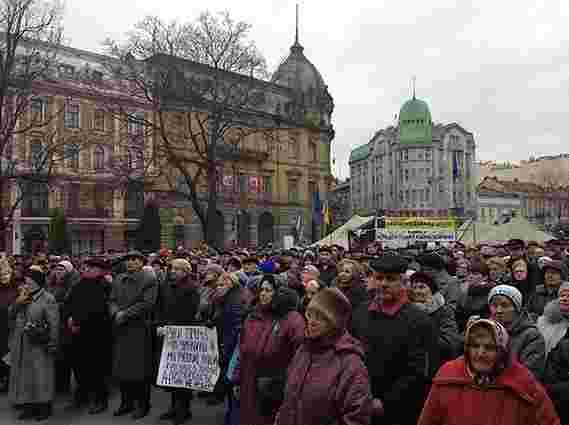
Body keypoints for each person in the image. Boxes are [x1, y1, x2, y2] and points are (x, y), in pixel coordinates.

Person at [417, 318, 559, 425]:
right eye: (474, 346)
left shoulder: (524, 384)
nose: (480, 353)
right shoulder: (447, 377)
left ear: (502, 351)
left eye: (489, 347)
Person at [351, 255, 437, 425]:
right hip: (360, 405)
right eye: (379, 278)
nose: (383, 284)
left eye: (390, 279)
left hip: (400, 412)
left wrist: (385, 402)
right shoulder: (360, 313)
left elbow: (419, 373)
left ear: (403, 282)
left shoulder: (418, 320)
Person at [275, 288, 376, 425]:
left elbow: (357, 417)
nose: (312, 321)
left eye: (321, 317)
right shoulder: (303, 350)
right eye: (310, 314)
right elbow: (288, 403)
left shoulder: (350, 363)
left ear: (336, 322)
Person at [239, 274, 305, 425]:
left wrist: (284, 384)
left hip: (276, 390)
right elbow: (241, 350)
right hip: (249, 383)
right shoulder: (252, 316)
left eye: (268, 290)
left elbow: (301, 357)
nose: (263, 293)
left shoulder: (292, 319)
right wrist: (237, 378)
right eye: (261, 290)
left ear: (279, 292)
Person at [109, 250, 158, 420]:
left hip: (139, 329)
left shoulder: (149, 279)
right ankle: (126, 403)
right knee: (122, 369)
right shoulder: (119, 279)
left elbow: (147, 303)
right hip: (121, 329)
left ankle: (142, 405)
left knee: (140, 371)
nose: (130, 262)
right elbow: (112, 299)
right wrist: (115, 312)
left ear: (141, 262)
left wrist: (125, 314)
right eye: (128, 260)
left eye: (134, 259)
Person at [8, 267, 59, 421]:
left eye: (30, 280)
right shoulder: (22, 296)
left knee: (41, 375)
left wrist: (53, 343)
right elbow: (10, 314)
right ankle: (28, 406)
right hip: (22, 343)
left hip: (39, 343)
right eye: (26, 280)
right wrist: (18, 303)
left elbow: (54, 323)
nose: (27, 283)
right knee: (25, 375)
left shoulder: (48, 298)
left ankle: (44, 406)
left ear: (38, 282)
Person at [64, 257, 113, 414]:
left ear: (99, 270)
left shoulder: (105, 286)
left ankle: (100, 399)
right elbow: (68, 303)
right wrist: (70, 318)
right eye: (85, 268)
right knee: (79, 367)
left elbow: (99, 309)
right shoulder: (78, 285)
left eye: (90, 268)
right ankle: (81, 396)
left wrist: (78, 321)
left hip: (97, 333)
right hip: (78, 333)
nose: (86, 270)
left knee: (97, 368)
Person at [155, 258, 201, 425]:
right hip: (167, 333)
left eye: (177, 269)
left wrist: (172, 327)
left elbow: (189, 314)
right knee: (171, 374)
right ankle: (174, 407)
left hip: (183, 336)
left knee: (182, 375)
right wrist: (160, 324)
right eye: (172, 268)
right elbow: (160, 308)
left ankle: (184, 410)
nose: (173, 271)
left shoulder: (191, 288)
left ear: (186, 271)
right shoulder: (166, 286)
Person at [487, 285, 545, 379]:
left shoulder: (532, 336)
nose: (498, 310)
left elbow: (528, 375)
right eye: (494, 305)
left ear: (517, 308)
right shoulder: (485, 330)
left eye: (505, 305)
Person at [409, 272, 460, 366]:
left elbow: (450, 342)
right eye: (414, 287)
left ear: (431, 290)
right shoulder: (407, 311)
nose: (417, 291)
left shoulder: (444, 311)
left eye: (422, 287)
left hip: (436, 364)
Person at [539, 282, 569, 423]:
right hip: (545, 381)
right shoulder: (544, 321)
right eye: (562, 295)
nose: (565, 298)